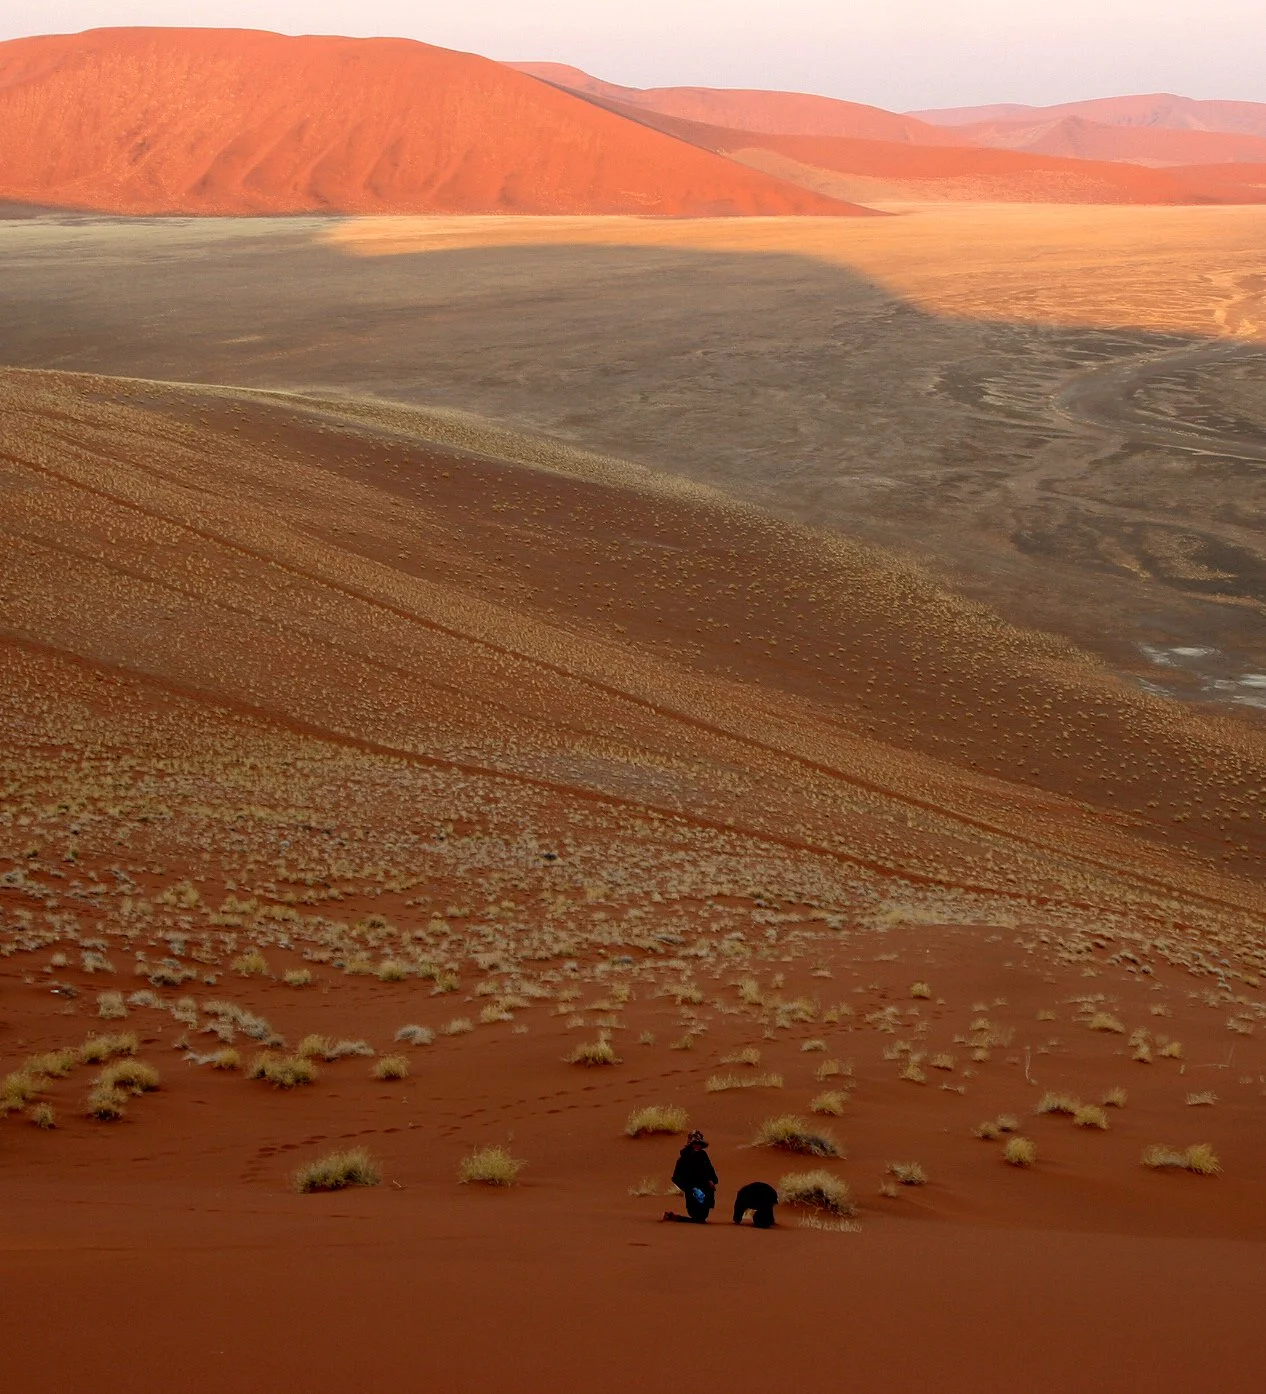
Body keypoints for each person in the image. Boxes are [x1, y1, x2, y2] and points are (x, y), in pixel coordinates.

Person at [663, 1130, 718, 1223]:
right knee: (698, 1218)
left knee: (701, 1218)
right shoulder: (684, 1159)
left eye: (699, 1143)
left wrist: (710, 1180)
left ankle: (674, 1217)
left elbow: (711, 1172)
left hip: (705, 1193)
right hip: (693, 1194)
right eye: (695, 1143)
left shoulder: (703, 1156)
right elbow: (676, 1178)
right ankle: (674, 1217)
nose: (697, 1146)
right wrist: (690, 1189)